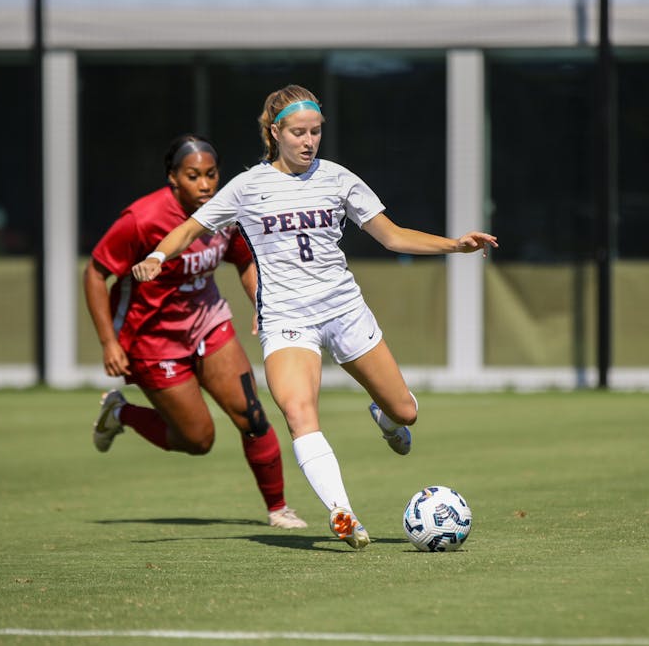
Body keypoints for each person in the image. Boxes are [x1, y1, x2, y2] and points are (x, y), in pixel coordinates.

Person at [131, 85, 497, 549]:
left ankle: (384, 419)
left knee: (405, 410)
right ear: (274, 132)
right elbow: (189, 228)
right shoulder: (247, 187)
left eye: (316, 131)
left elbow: (393, 237)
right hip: (287, 319)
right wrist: (159, 258)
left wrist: (455, 245)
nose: (309, 141)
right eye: (299, 132)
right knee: (298, 412)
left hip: (344, 309)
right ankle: (342, 512)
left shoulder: (339, 178)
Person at [83, 134, 307, 530]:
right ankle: (120, 412)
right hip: (154, 339)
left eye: (211, 174)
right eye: (192, 176)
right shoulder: (141, 219)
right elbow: (95, 273)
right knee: (198, 440)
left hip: (209, 323)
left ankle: (279, 509)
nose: (205, 185)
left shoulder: (223, 212)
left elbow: (244, 261)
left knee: (253, 416)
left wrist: (262, 304)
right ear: (173, 179)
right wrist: (108, 342)